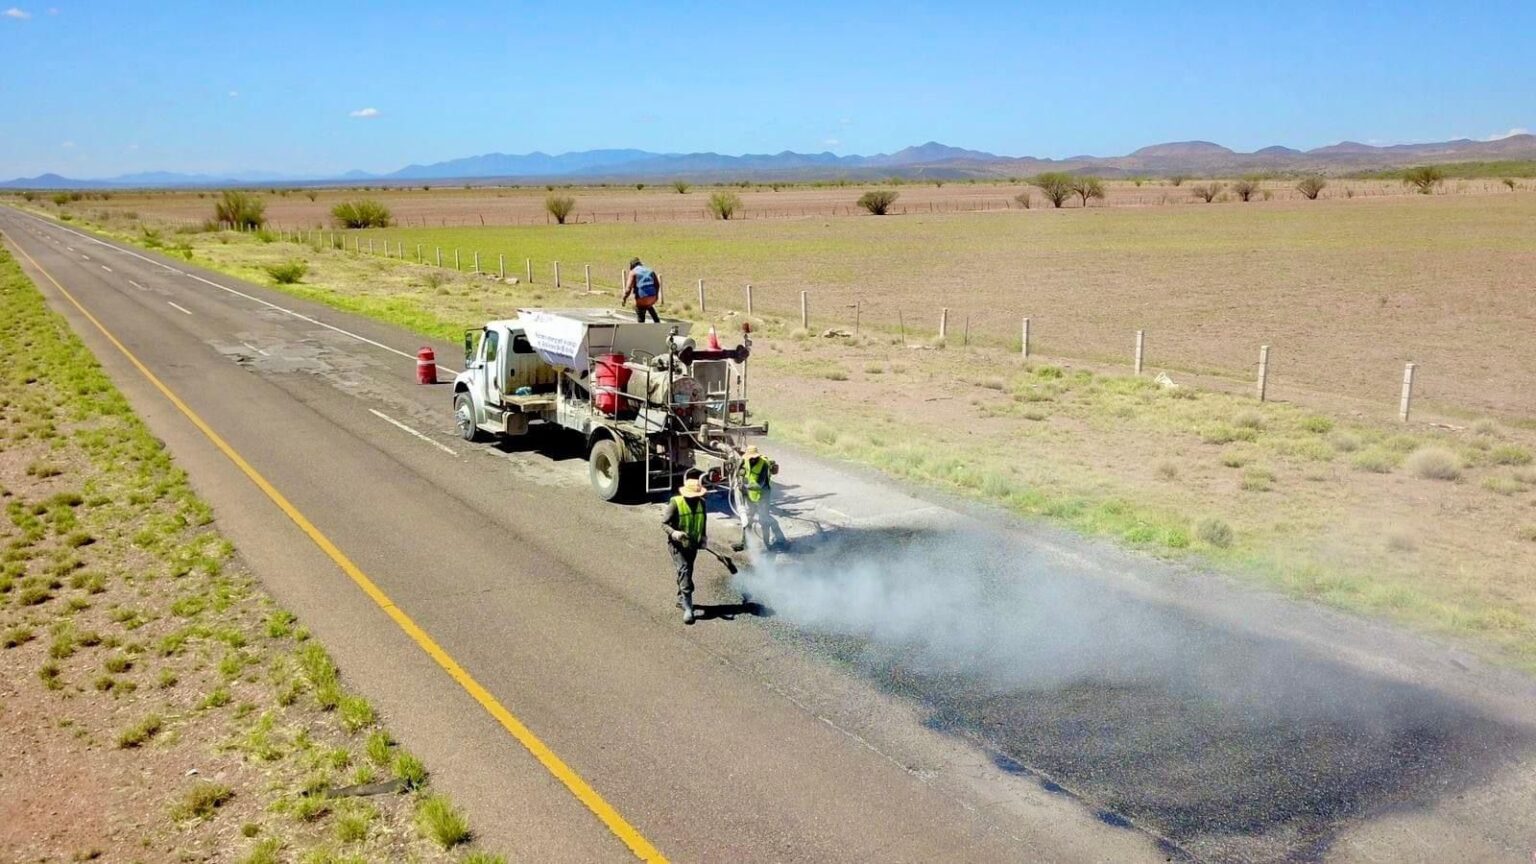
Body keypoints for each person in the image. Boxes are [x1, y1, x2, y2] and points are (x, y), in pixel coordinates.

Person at [662, 476, 708, 624]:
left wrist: (703, 538)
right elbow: (664, 524)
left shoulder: (702, 504)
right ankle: (688, 608)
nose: (695, 499)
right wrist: (675, 533)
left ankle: (681, 598)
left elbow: (703, 522)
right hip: (677, 546)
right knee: (684, 570)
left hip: (692, 545)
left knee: (687, 571)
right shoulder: (675, 503)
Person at [735, 444, 785, 551]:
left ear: (757, 456)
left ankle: (767, 544)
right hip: (750, 496)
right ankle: (744, 543)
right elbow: (741, 472)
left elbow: (760, 484)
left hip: (763, 495)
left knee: (764, 520)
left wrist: (745, 487)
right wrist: (740, 478)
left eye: (754, 458)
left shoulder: (764, 464)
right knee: (747, 519)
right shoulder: (746, 460)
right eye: (750, 458)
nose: (752, 459)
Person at [622, 257, 662, 323]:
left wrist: (624, 299)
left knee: (639, 307)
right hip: (652, 297)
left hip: (642, 298)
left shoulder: (633, 272)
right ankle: (657, 321)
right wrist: (656, 296)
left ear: (632, 266)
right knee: (648, 305)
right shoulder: (650, 270)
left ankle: (641, 324)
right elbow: (657, 284)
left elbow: (628, 289)